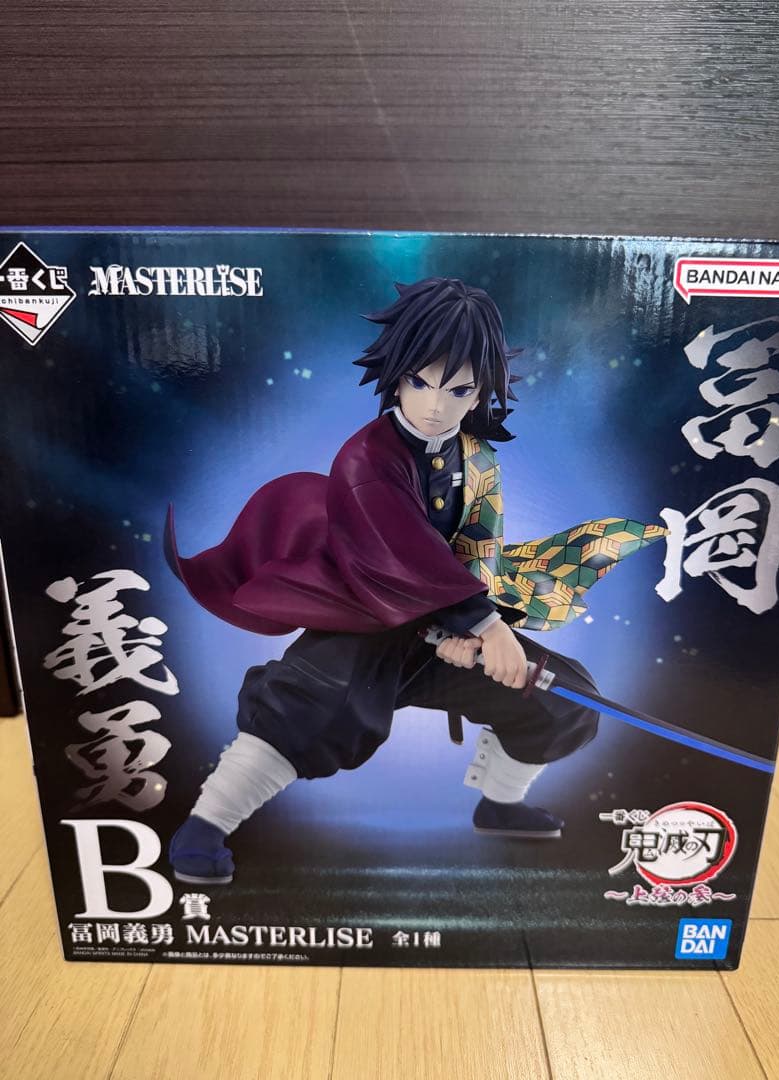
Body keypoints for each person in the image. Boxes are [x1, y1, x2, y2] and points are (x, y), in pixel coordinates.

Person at [165, 277, 663, 883]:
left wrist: (477, 633)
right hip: (363, 618)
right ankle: (204, 826)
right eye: (420, 382)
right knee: (309, 710)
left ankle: (500, 803)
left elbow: (479, 544)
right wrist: (479, 627)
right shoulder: (366, 460)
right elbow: (399, 551)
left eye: (459, 390)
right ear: (396, 376)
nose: (435, 406)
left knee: (562, 698)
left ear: (481, 391)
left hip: (450, 623)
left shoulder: (476, 457)